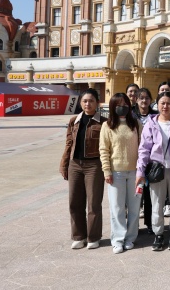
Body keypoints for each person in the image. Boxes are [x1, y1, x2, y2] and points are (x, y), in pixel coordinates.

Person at [136, 92, 170, 251]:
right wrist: (140, 171)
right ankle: (158, 234)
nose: (165, 106)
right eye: (162, 103)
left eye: (169, 103)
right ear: (157, 105)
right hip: (156, 171)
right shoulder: (150, 124)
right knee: (157, 204)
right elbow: (144, 150)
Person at [59, 88, 106, 250]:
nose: (88, 104)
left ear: (97, 103)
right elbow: (69, 143)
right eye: (85, 101)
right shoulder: (74, 121)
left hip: (94, 165)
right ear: (80, 103)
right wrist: (64, 163)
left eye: (91, 101)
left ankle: (93, 237)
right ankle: (79, 236)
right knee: (75, 202)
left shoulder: (104, 122)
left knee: (94, 203)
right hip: (75, 165)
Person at [99, 93, 142, 254]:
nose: (122, 107)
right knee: (117, 208)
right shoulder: (107, 126)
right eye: (118, 104)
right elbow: (104, 149)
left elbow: (143, 148)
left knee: (134, 208)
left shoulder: (136, 124)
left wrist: (141, 170)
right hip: (115, 172)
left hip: (135, 172)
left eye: (125, 104)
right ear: (112, 107)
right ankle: (117, 239)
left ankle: (130, 237)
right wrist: (106, 171)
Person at [134, 87, 155, 232]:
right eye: (141, 98)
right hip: (133, 159)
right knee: (135, 195)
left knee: (149, 194)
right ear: (136, 100)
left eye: (147, 98)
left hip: (151, 160)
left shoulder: (156, 116)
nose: (144, 101)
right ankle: (133, 225)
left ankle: (149, 223)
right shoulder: (131, 116)